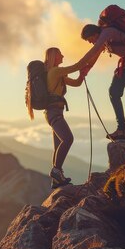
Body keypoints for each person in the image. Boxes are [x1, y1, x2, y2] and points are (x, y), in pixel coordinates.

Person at [42, 47, 94, 188]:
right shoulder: (56, 71)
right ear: (54, 57)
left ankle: (57, 180)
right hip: (55, 112)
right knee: (68, 139)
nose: (63, 55)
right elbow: (77, 65)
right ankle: (56, 171)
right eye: (60, 54)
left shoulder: (55, 73)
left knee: (58, 145)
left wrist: (82, 75)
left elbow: (76, 83)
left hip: (53, 112)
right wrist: (94, 52)